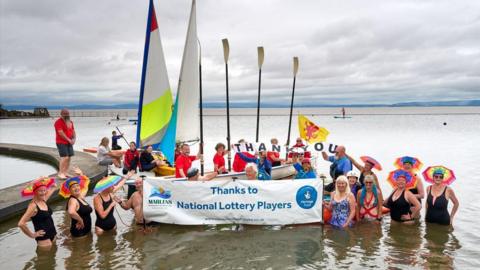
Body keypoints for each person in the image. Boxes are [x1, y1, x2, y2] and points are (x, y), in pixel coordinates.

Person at [18, 180, 58, 247]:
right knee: (45, 257)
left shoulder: (43, 200)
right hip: (44, 239)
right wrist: (32, 235)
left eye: (44, 190)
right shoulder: (33, 206)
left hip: (53, 234)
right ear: (35, 192)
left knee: (53, 255)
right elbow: (21, 224)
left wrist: (47, 182)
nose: (43, 193)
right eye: (40, 191)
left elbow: (53, 187)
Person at [54, 108, 76, 179]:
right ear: (61, 114)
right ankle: (60, 173)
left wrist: (74, 139)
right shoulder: (58, 122)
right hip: (61, 142)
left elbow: (73, 131)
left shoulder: (70, 122)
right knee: (64, 157)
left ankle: (65, 172)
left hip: (69, 141)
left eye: (67, 114)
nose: (66, 115)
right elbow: (61, 133)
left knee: (69, 158)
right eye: (65, 114)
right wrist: (69, 140)